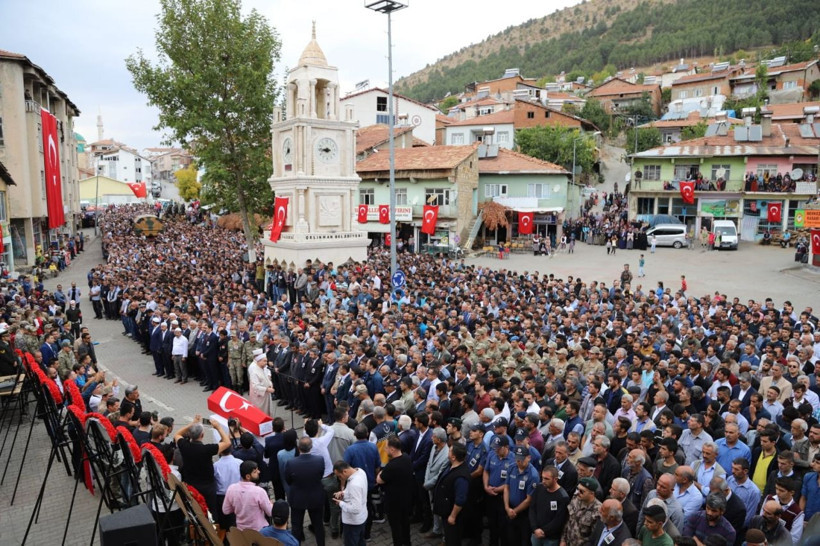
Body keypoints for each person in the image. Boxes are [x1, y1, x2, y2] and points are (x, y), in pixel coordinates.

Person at [175, 415, 231, 517]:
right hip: (207, 487)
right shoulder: (207, 449)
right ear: (202, 435)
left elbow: (177, 434)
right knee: (211, 512)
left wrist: (192, 424)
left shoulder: (184, 446)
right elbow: (227, 442)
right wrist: (218, 427)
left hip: (190, 484)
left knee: (193, 511)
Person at [285, 437, 326, 546]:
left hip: (298, 498)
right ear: (311, 447)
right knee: (318, 526)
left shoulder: (291, 462)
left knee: (296, 527)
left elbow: (288, 480)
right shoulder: (319, 460)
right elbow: (320, 475)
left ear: (298, 448)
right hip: (315, 497)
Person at [432, 442, 471, 546]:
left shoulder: (461, 477)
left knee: (453, 539)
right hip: (446, 511)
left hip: (453, 515)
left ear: (453, 457)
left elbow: (460, 500)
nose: (447, 451)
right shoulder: (452, 465)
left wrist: (453, 516)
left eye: (449, 450)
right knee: (449, 536)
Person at [377, 436, 413, 546]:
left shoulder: (391, 466)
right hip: (406, 499)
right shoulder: (407, 458)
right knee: (405, 524)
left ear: (392, 449)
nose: (384, 450)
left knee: (396, 527)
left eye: (386, 448)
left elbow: (379, 480)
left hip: (394, 502)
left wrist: (380, 472)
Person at [222, 460, 272, 531]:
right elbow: (270, 512)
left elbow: (226, 510)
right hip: (259, 530)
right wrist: (271, 504)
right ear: (248, 476)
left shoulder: (231, 489)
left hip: (241, 530)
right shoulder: (259, 491)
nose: (258, 472)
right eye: (255, 472)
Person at [530, 465, 570, 546]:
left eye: (546, 479)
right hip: (536, 534)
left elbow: (559, 520)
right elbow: (532, 508)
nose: (543, 481)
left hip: (550, 538)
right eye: (542, 478)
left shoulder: (563, 497)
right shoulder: (539, 488)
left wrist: (543, 531)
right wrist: (535, 528)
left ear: (555, 479)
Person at [333, 460, 368, 546]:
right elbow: (358, 492)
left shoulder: (354, 484)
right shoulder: (360, 471)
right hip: (362, 517)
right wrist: (343, 493)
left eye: (339, 476)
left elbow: (356, 509)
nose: (340, 479)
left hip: (353, 522)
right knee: (361, 542)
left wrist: (341, 503)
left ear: (345, 471)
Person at [561, 477, 602, 546]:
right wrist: (563, 539)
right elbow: (568, 521)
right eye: (577, 489)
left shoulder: (598, 510)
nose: (578, 493)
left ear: (592, 493)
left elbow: (594, 536)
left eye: (582, 491)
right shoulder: (575, 499)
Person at [248, 350, 273, 416]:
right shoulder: (254, 371)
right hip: (259, 397)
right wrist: (267, 389)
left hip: (266, 395)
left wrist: (270, 385)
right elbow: (255, 386)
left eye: (266, 361)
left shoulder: (262, 368)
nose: (266, 363)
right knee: (261, 414)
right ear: (259, 361)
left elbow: (267, 378)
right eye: (264, 361)